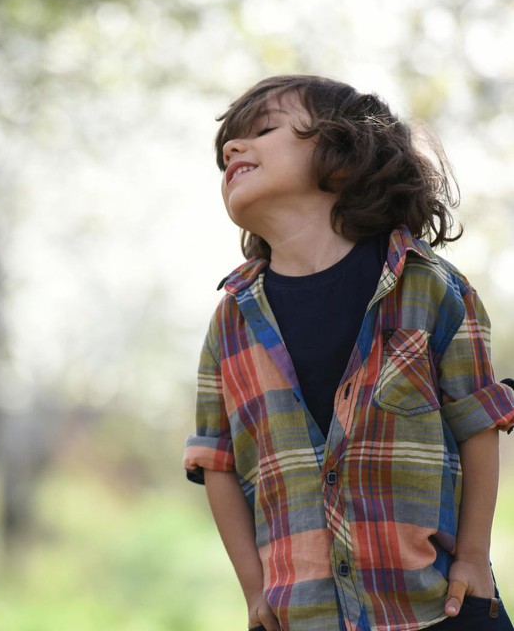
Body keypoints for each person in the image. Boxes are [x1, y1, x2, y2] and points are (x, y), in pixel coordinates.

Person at [183, 75, 514, 631]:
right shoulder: (230, 322)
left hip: (434, 610)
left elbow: (478, 421)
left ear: (342, 153)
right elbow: (216, 463)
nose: (231, 149)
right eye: (226, 151)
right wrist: (253, 590)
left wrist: (475, 559)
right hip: (302, 614)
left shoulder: (429, 287)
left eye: (263, 130)